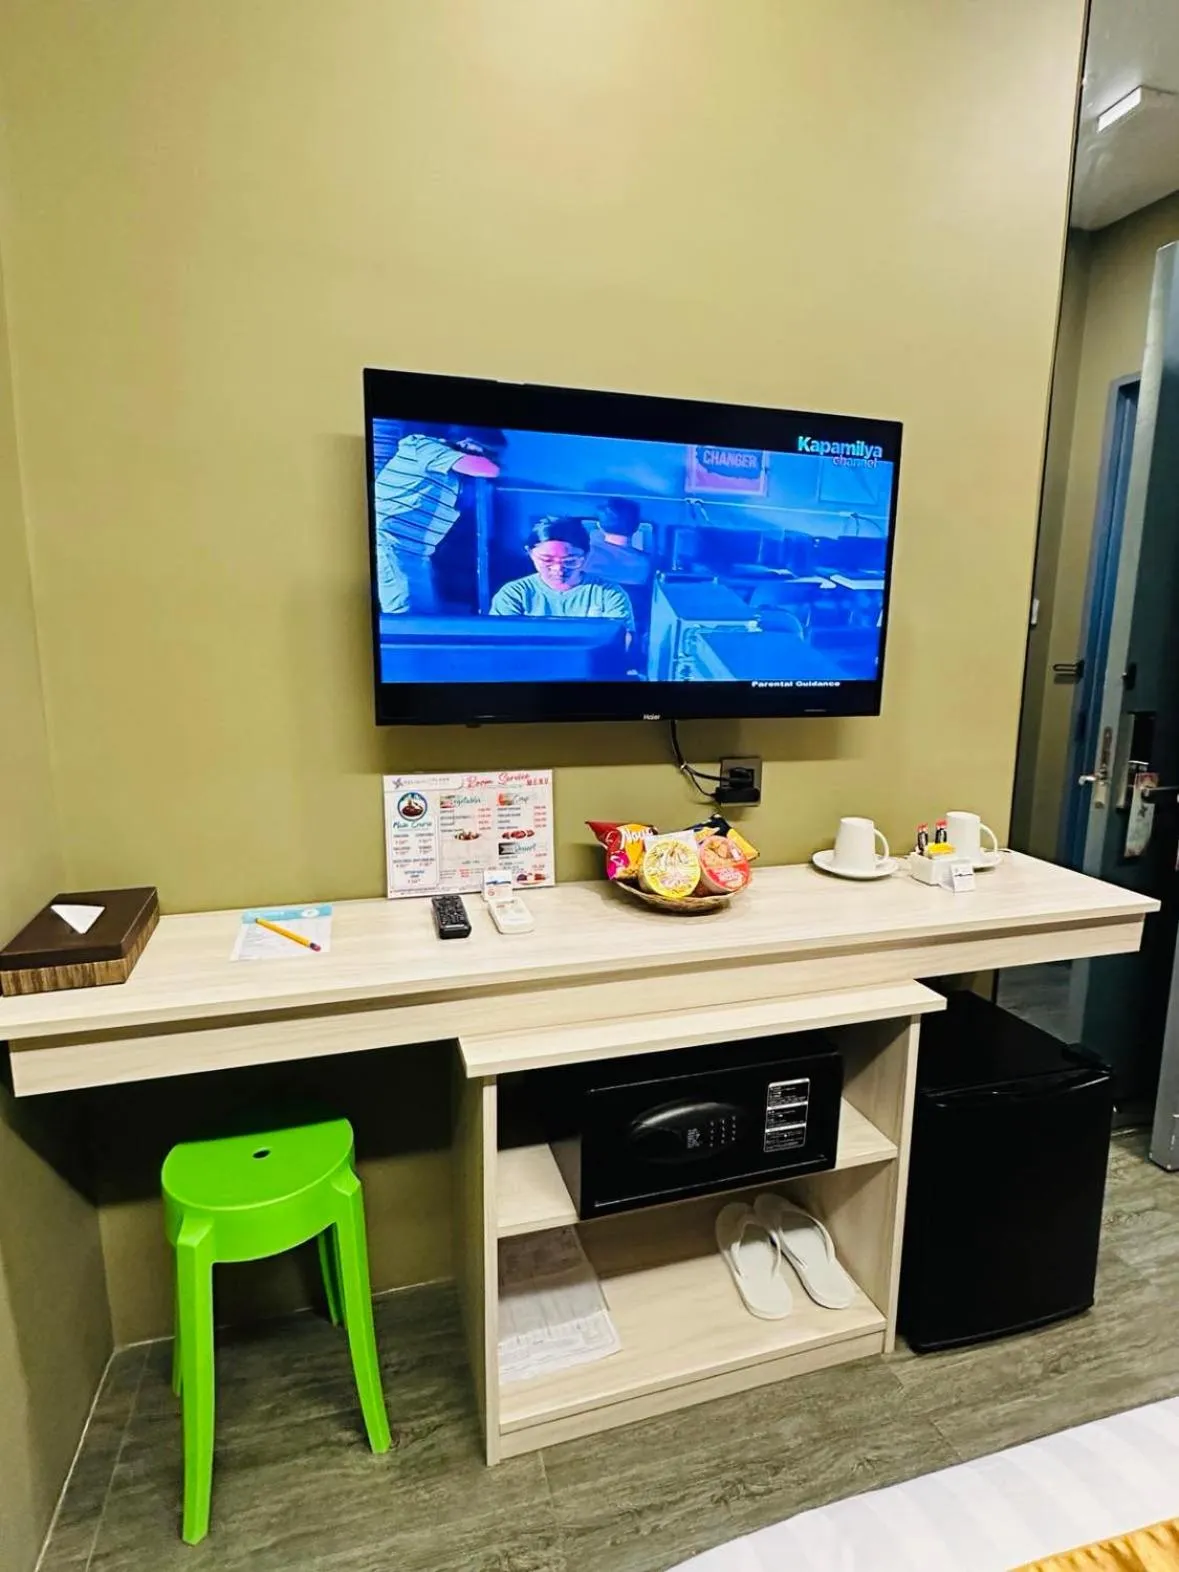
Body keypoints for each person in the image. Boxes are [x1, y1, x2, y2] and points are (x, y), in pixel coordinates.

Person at [374, 427, 504, 614]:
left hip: (416, 552)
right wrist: (492, 463)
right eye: (488, 451)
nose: (489, 457)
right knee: (407, 616)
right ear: (467, 442)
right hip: (391, 544)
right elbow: (487, 468)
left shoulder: (450, 473)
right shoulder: (424, 446)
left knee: (423, 617)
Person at [490, 517, 634, 629]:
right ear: (530, 553)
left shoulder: (608, 594)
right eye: (547, 560)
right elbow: (505, 644)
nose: (557, 569)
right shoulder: (514, 594)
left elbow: (622, 641)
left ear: (586, 555)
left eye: (570, 561)